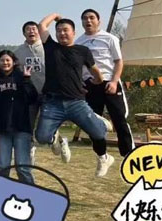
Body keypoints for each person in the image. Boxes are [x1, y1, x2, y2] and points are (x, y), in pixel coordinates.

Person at [33, 13, 115, 177]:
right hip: (53, 102)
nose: (62, 33)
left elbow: (94, 69)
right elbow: (42, 26)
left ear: (73, 32)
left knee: (99, 134)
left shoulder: (82, 51)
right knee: (41, 137)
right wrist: (56, 16)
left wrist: (98, 80)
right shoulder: (51, 47)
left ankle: (105, 157)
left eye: (66, 30)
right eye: (59, 31)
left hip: (76, 102)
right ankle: (55, 136)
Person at [76, 9, 134, 157]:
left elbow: (119, 61)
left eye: (91, 18)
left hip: (109, 82)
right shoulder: (78, 43)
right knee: (93, 122)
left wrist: (114, 81)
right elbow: (78, 68)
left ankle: (128, 154)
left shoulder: (110, 38)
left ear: (98, 21)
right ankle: (102, 155)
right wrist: (81, 85)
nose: (88, 21)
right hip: (90, 85)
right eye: (85, 18)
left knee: (119, 119)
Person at [0, 50, 39, 184]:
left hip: (21, 127)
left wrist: (27, 80)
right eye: (2, 60)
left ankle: (30, 191)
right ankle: (2, 192)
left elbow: (32, 98)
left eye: (8, 60)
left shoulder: (21, 78)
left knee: (22, 167)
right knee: (2, 166)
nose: (5, 63)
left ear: (13, 62)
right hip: (2, 128)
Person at [14, 21, 45, 164]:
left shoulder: (47, 47)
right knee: (28, 124)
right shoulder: (18, 52)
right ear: (24, 33)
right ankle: (30, 148)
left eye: (34, 29)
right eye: (28, 29)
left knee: (47, 124)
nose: (31, 31)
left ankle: (56, 140)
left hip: (47, 92)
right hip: (29, 94)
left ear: (39, 31)